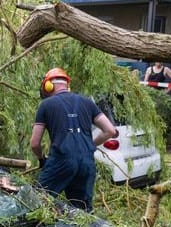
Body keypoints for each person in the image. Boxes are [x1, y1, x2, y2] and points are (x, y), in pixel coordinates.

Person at [29, 67, 116, 211]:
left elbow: (34, 144)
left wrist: (42, 159)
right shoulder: (88, 102)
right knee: (82, 211)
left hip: (61, 160)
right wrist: (89, 145)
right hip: (86, 163)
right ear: (67, 85)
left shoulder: (46, 105)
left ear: (48, 85)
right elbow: (110, 130)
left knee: (38, 200)